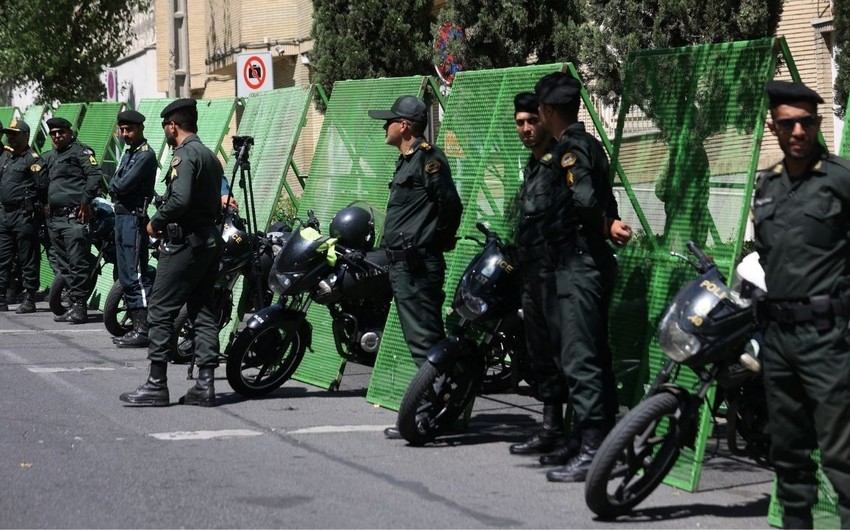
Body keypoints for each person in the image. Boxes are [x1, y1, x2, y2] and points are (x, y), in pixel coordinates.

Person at [752, 80, 850, 529]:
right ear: (773, 127)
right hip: (779, 339)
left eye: (806, 122)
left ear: (817, 123)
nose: (798, 131)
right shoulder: (766, 187)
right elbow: (768, 257)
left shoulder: (841, 180)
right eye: (787, 123)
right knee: (788, 449)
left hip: (828, 338)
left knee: (841, 452)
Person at [530, 72, 630, 483]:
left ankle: (593, 446)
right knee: (584, 351)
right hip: (575, 261)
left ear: (547, 110)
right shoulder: (575, 146)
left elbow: (586, 198)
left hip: (580, 260)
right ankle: (587, 436)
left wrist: (604, 225)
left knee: (581, 355)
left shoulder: (572, 148)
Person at [367, 95, 463, 440]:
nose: (385, 125)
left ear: (404, 126)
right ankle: (437, 409)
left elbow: (450, 205)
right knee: (419, 340)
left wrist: (436, 239)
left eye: (389, 120)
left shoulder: (429, 160)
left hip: (417, 266)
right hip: (403, 267)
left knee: (425, 341)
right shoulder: (406, 161)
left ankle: (428, 415)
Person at [119, 98, 224, 408]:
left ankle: (156, 384)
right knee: (203, 311)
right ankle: (205, 384)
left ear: (173, 126)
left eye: (166, 126)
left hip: (185, 243)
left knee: (160, 310)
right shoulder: (208, 154)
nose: (165, 131)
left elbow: (180, 200)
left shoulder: (184, 156)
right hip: (208, 241)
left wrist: (156, 222)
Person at [42, 117, 103, 324]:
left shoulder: (81, 152)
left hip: (74, 217)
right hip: (56, 218)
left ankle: (80, 307)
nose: (57, 136)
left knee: (78, 263)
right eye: (53, 134)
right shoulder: (52, 156)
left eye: (61, 132)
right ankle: (75, 302)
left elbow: (95, 176)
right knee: (64, 265)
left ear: (70, 132)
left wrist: (85, 202)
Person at [108, 110, 157, 347]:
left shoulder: (146, 156)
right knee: (126, 274)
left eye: (130, 130)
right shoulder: (130, 154)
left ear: (140, 129)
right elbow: (114, 184)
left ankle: (143, 329)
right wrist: (116, 186)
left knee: (136, 274)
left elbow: (122, 185)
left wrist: (117, 186)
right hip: (121, 218)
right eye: (123, 130)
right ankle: (136, 325)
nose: (125, 134)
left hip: (133, 220)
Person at [0, 119, 46, 314]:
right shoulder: (5, 157)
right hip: (4, 215)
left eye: (14, 134)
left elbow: (42, 187)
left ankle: (29, 298)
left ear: (25, 135)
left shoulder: (33, 159)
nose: (10, 137)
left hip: (24, 215)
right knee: (2, 258)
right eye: (8, 133)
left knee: (28, 258)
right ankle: (1, 297)